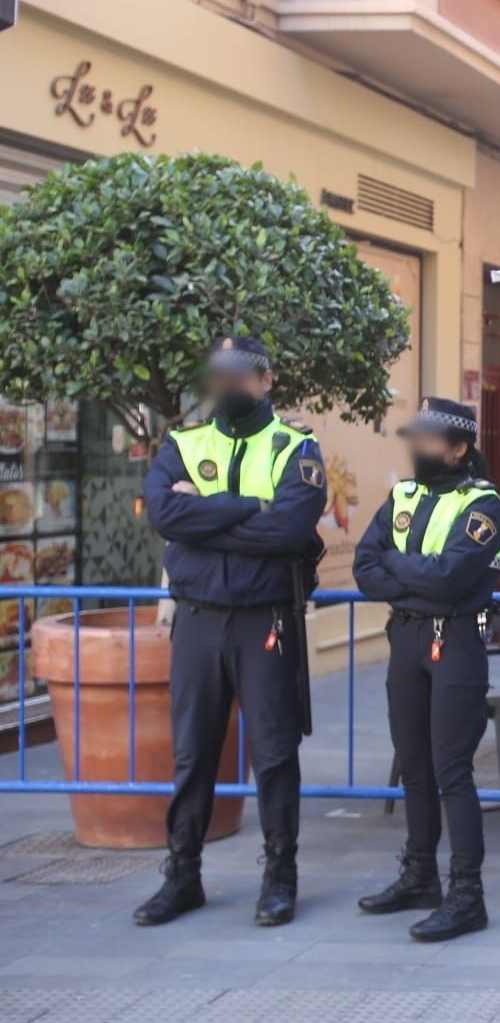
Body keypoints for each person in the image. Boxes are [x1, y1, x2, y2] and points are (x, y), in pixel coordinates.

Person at [135, 336, 327, 929]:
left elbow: (291, 531)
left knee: (273, 752)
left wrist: (204, 516)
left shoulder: (296, 446)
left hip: (264, 618)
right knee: (192, 754)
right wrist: (251, 509)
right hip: (196, 618)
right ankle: (183, 875)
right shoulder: (184, 443)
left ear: (266, 381)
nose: (228, 386)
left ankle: (279, 876)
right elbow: (165, 515)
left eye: (240, 376)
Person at [351, 398, 500, 942]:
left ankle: (467, 895)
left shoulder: (482, 505)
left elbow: (449, 580)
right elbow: (364, 567)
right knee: (413, 765)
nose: (417, 448)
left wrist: (401, 567)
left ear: (459, 448)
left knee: (451, 770)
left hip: (456, 640)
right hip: (408, 637)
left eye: (428, 439)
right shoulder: (403, 495)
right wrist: (415, 574)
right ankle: (419, 874)